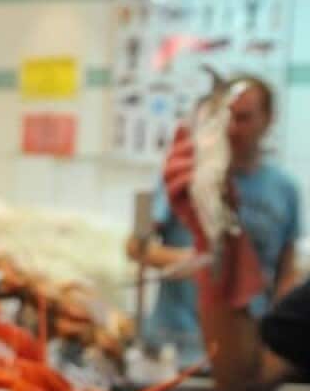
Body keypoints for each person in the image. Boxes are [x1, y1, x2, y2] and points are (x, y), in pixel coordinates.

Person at [128, 75, 301, 368]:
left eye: (244, 118)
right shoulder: (184, 178)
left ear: (268, 119)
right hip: (177, 344)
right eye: (226, 117)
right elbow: (136, 247)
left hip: (245, 343)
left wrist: (280, 329)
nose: (232, 128)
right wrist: (195, 263)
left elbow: (287, 268)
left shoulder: (284, 189)